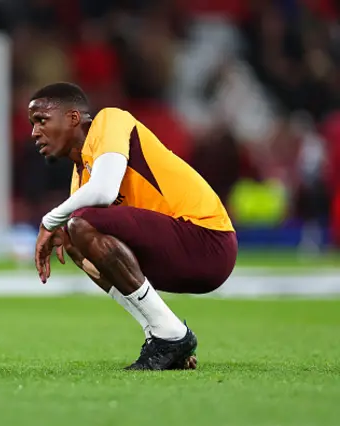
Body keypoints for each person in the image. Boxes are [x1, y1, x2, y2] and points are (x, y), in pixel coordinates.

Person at [30, 82, 238, 371]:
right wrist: (61, 228)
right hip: (179, 256)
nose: (34, 132)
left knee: (80, 223)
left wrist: (49, 220)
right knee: (74, 240)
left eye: (41, 120)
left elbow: (105, 190)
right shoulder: (80, 179)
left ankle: (171, 335)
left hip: (208, 240)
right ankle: (162, 333)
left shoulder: (110, 120)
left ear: (73, 118)